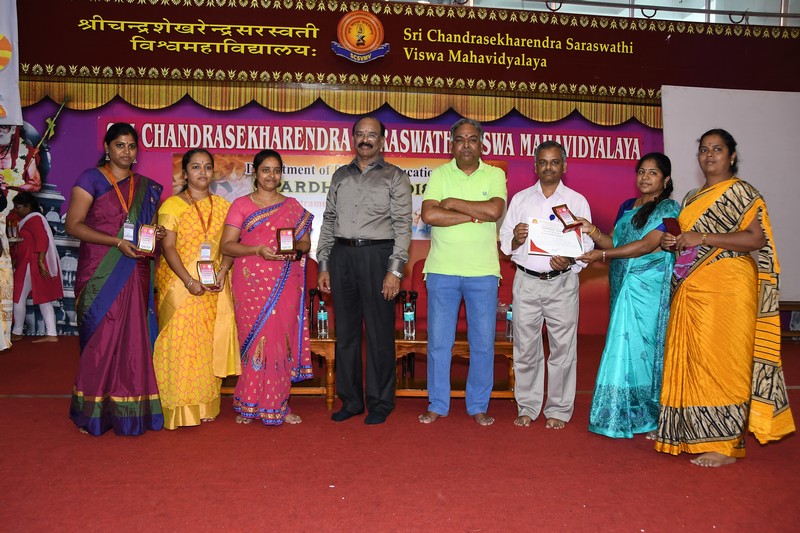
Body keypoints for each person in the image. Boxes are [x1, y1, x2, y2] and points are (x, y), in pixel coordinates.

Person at [655, 129, 794, 467]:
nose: (709, 155)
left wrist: (702, 237)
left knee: (724, 362)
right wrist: (673, 242)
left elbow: (755, 239)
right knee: (693, 360)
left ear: (732, 156)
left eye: (717, 149)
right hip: (691, 287)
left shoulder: (743, 193)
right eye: (704, 149)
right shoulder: (691, 197)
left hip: (729, 286)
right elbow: (687, 239)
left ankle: (725, 444)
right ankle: (689, 433)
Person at [65, 122, 165, 436]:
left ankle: (130, 412)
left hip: (135, 269)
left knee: (133, 341)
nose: (126, 151)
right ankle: (93, 414)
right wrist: (115, 242)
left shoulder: (147, 188)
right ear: (107, 148)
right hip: (99, 270)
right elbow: (73, 225)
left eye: (131, 146)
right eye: (119, 145)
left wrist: (156, 235)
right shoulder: (90, 179)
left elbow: (147, 233)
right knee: (101, 339)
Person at [574, 153, 679, 438]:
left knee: (645, 351)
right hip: (621, 284)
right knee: (623, 347)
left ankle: (649, 415)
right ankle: (622, 412)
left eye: (653, 173)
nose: (645, 177)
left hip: (648, 290)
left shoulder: (669, 208)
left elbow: (646, 245)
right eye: (641, 171)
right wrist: (592, 231)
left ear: (666, 179)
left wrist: (602, 255)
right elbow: (614, 242)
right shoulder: (627, 206)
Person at [316, 116, 412, 425]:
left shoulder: (395, 176)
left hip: (378, 256)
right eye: (360, 134)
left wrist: (395, 271)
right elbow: (329, 220)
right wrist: (324, 264)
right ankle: (352, 400)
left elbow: (403, 225)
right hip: (342, 255)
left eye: (372, 135)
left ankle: (380, 402)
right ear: (353, 138)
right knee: (346, 334)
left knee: (379, 334)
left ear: (382, 140)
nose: (365, 139)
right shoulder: (340, 175)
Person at [499, 140, 593, 430]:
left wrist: (569, 260)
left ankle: (559, 410)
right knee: (525, 349)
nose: (548, 167)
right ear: (535, 166)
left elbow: (587, 243)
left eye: (554, 162)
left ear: (564, 166)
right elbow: (504, 242)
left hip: (562, 283)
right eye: (542, 162)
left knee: (563, 350)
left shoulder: (576, 201)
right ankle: (527, 406)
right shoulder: (521, 200)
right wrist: (516, 239)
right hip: (526, 282)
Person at [419, 118, 507, 426]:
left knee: (482, 344)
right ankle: (438, 404)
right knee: (439, 344)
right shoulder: (440, 174)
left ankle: (478, 405)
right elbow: (429, 215)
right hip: (441, 271)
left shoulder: (494, 174)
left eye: (472, 139)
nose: (466, 144)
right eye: (460, 139)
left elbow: (494, 210)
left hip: (483, 273)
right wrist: (472, 215)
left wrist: (453, 203)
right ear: (452, 144)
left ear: (481, 144)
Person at [220, 149, 313, 426]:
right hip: (251, 283)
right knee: (252, 341)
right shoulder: (241, 205)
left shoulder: (293, 206)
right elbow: (227, 245)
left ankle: (278, 404)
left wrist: (295, 250)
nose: (271, 175)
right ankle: (248, 403)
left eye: (276, 170)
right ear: (255, 173)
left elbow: (305, 242)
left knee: (279, 341)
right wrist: (257, 250)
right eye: (265, 170)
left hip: (285, 281)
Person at [153, 149, 240, 430]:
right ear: (184, 173)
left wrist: (223, 271)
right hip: (179, 285)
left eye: (207, 167)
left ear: (214, 172)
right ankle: (179, 408)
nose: (202, 172)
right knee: (178, 345)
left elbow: (229, 247)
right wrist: (189, 281)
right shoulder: (172, 206)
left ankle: (205, 406)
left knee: (205, 346)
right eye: (196, 167)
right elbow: (168, 247)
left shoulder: (224, 207)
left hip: (213, 286)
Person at [11, 192, 63, 342]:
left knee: (18, 296)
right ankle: (51, 333)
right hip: (32, 263)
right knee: (43, 299)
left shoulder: (33, 219)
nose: (15, 210)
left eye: (18, 207)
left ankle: (17, 331)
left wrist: (40, 262)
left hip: (30, 263)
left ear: (27, 207)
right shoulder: (32, 219)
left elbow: (42, 239)